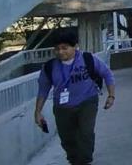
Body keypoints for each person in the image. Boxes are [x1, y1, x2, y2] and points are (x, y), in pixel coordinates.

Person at [35, 31, 115, 165]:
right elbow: (43, 90)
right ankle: (74, 160)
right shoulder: (49, 67)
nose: (60, 52)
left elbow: (107, 74)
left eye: (64, 48)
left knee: (86, 132)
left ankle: (85, 161)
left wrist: (111, 95)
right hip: (62, 108)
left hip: (87, 102)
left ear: (75, 46)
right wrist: (38, 112)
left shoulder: (88, 59)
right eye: (57, 49)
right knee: (67, 139)